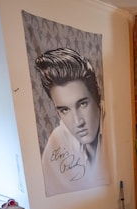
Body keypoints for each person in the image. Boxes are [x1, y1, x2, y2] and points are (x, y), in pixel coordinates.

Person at [35, 47, 110, 196]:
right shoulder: (57, 140)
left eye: (82, 104)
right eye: (64, 110)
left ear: (97, 97)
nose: (77, 122)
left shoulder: (114, 126)